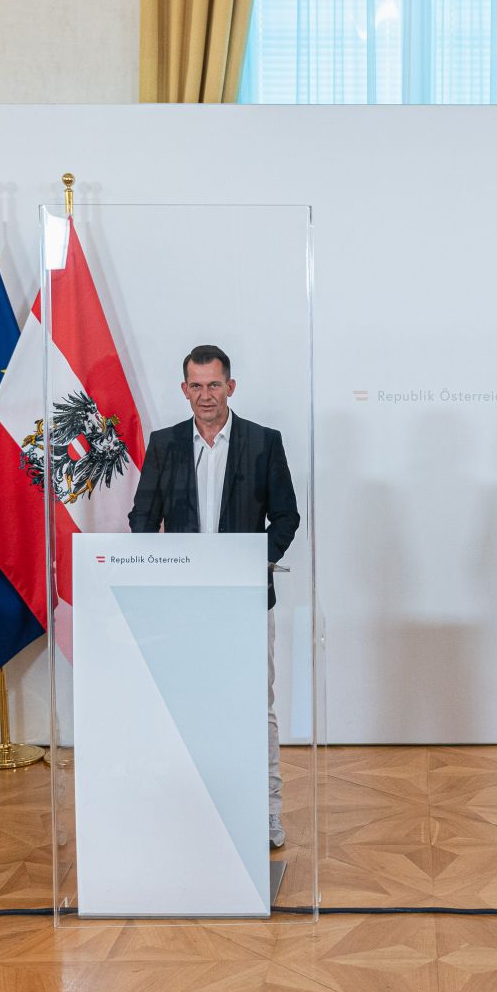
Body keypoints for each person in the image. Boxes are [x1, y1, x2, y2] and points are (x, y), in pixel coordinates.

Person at [129, 345, 301, 849]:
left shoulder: (263, 443)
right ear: (184, 390)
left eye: (214, 384)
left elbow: (286, 517)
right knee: (191, 704)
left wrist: (249, 563)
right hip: (183, 604)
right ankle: (196, 809)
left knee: (255, 707)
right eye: (196, 386)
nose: (206, 395)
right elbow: (142, 518)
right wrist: (155, 572)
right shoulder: (164, 444)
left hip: (246, 600)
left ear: (232, 386)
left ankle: (266, 811)